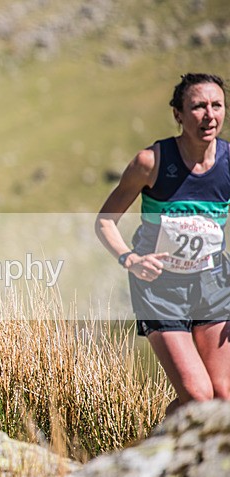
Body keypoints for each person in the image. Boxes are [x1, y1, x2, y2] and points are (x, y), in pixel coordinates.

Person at [96, 73, 230, 416]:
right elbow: (105, 221)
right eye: (198, 106)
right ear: (178, 115)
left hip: (212, 283)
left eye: (217, 105)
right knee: (199, 398)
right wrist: (129, 259)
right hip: (160, 288)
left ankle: (159, 451)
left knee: (224, 398)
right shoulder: (151, 163)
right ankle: (150, 460)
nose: (209, 115)